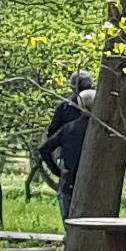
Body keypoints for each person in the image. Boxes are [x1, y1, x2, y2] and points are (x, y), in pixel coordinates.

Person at [33, 76, 93, 217]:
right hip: (69, 158)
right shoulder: (65, 107)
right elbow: (51, 136)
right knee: (67, 193)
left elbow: (46, 146)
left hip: (85, 160)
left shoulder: (99, 115)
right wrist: (58, 171)